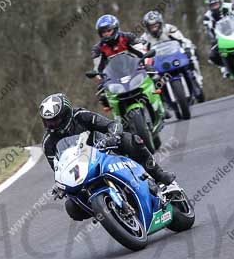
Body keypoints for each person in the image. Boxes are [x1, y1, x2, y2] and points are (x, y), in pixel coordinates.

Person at [39, 93, 176, 219]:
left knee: (130, 140)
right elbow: (57, 169)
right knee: (71, 206)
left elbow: (112, 125)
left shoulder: (80, 115)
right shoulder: (48, 142)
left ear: (66, 114)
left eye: (55, 120)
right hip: (82, 171)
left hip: (105, 151)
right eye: (48, 121)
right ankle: (107, 213)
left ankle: (159, 174)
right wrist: (60, 185)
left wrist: (113, 136)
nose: (52, 125)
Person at [139, 10, 203, 86]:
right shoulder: (144, 37)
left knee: (192, 57)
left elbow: (183, 39)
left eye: (155, 25)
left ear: (160, 23)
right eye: (151, 26)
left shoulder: (169, 28)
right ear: (147, 27)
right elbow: (142, 51)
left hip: (176, 56)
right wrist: (144, 62)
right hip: (159, 61)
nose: (154, 28)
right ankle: (159, 93)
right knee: (149, 74)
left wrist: (187, 49)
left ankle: (198, 79)